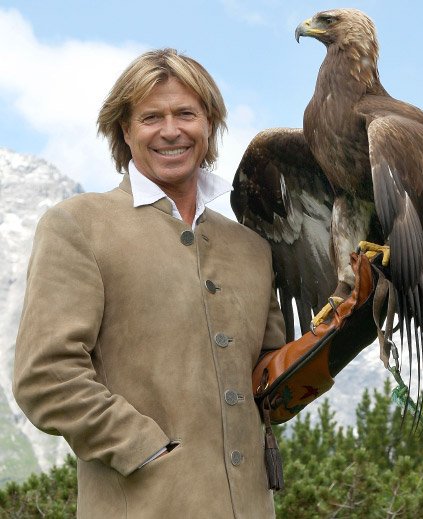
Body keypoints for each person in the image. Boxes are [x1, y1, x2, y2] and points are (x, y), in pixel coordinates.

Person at [13, 48, 285, 518]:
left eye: (186, 114)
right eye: (151, 117)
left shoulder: (252, 248)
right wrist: (144, 449)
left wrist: (353, 319)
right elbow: (46, 376)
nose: (171, 130)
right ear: (124, 130)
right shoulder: (79, 225)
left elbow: (273, 379)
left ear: (209, 124)